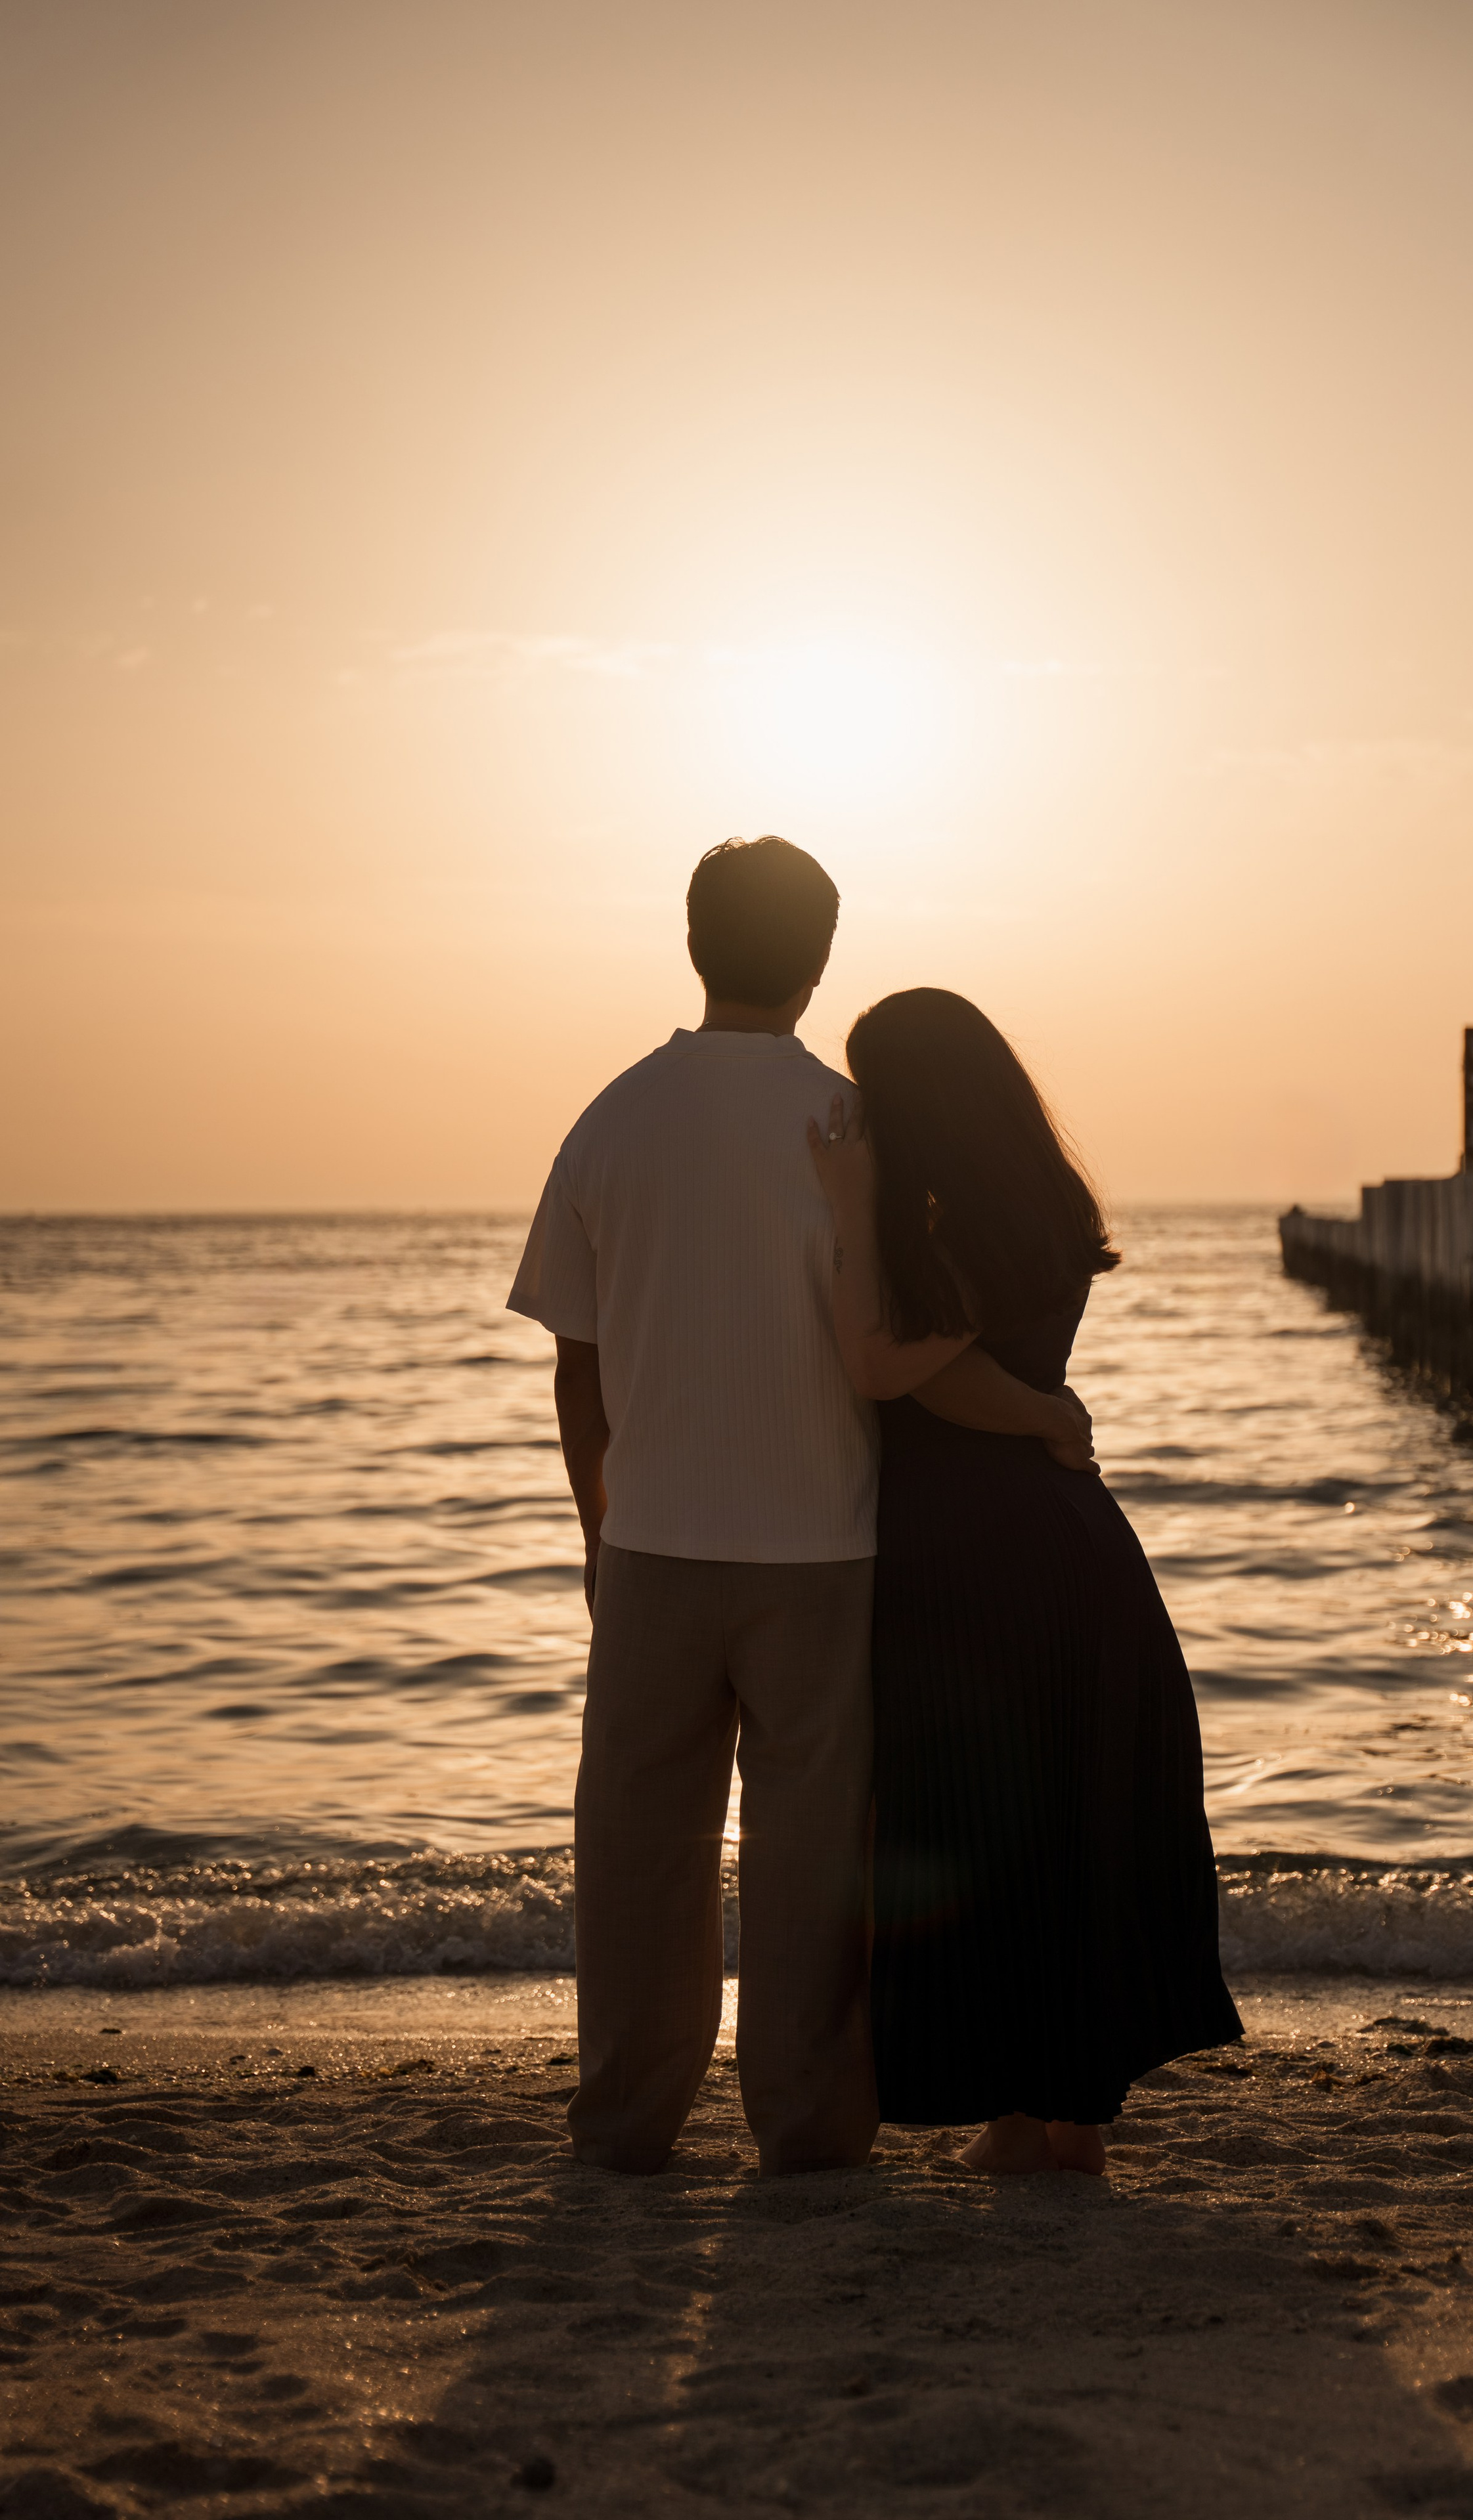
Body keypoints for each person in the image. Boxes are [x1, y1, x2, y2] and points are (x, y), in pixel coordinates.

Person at [508, 840, 1095, 2175]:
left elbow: (576, 1366)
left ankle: (625, 2120)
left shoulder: (609, 1119)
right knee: (812, 1850)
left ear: (693, 941)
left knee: (639, 1846)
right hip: (827, 1543)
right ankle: (810, 2124)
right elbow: (905, 1343)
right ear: (820, 960)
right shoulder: (859, 1130)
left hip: (652, 1540)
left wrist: (596, 1528)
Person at [808, 987, 1241, 2175]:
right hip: (1061, 1544)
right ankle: (1059, 2119)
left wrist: (846, 1200)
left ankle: (1032, 2119)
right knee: (1063, 1824)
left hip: (980, 1554)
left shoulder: (959, 1221)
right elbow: (967, 1368)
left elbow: (890, 1365)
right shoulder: (1035, 1200)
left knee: (993, 1827)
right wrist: (1048, 1412)